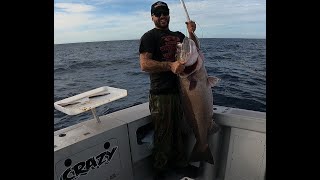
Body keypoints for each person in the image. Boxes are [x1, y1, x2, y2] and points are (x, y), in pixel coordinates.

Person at [138, 1, 200, 179]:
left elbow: (195, 49)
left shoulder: (179, 35)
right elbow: (144, 64)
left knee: (178, 132)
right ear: (152, 17)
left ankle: (180, 164)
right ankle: (160, 170)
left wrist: (191, 33)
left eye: (165, 12)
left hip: (181, 92)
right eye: (158, 13)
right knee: (163, 135)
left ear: (169, 15)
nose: (162, 16)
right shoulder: (149, 37)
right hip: (161, 94)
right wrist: (170, 65)